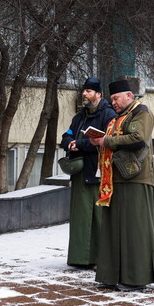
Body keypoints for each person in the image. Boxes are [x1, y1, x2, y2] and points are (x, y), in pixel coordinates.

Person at [88, 79, 154, 291]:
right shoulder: (119, 118)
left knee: (134, 231)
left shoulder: (142, 112)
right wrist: (100, 140)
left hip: (136, 179)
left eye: (116, 98)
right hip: (116, 179)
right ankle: (112, 275)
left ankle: (136, 278)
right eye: (111, 99)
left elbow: (138, 138)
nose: (113, 102)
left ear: (129, 96)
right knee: (113, 230)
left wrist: (107, 141)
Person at [60, 77, 116, 268]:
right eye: (84, 91)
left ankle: (99, 259)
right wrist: (69, 143)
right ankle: (80, 258)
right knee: (80, 218)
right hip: (79, 173)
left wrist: (81, 144)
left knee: (98, 219)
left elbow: (108, 140)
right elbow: (66, 134)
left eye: (89, 91)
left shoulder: (108, 115)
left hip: (99, 173)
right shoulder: (79, 116)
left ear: (99, 94)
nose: (84, 94)